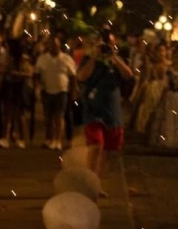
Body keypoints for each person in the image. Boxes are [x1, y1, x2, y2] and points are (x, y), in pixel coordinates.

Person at [77, 28, 134, 180]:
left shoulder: (117, 59)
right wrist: (95, 57)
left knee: (108, 150)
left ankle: (98, 182)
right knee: (96, 145)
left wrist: (114, 57)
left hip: (112, 110)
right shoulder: (89, 58)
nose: (106, 47)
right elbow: (81, 77)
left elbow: (128, 75)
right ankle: (89, 180)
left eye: (110, 44)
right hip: (93, 109)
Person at [34, 35, 77, 149]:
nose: (53, 47)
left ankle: (58, 140)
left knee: (59, 116)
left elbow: (73, 76)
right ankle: (49, 139)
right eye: (51, 45)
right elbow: (37, 74)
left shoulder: (66, 59)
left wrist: (73, 91)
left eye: (55, 45)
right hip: (47, 90)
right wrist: (37, 88)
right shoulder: (42, 59)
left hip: (62, 91)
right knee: (48, 117)